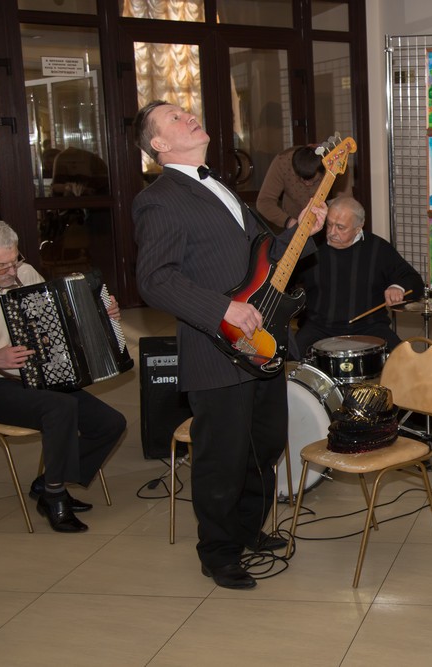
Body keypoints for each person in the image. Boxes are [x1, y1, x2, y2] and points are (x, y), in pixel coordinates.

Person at [132, 100, 326, 590]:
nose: (188, 115)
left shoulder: (219, 185)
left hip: (262, 343)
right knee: (222, 455)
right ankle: (218, 552)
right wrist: (222, 309)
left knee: (264, 444)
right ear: (159, 144)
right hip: (214, 347)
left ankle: (247, 530)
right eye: (173, 117)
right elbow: (155, 280)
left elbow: (265, 261)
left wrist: (302, 230)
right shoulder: (159, 199)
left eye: (185, 110)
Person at [0, 219, 126, 533]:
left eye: (14, 260)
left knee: (110, 423)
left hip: (41, 376)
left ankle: (46, 482)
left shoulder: (25, 274)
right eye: (1, 266)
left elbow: (61, 320)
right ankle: (54, 495)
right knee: (60, 407)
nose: (11, 271)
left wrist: (102, 314)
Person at [292, 195, 425, 356]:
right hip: (319, 326)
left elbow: (414, 280)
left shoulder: (378, 248)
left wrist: (398, 287)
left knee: (401, 359)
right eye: (329, 224)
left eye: (340, 227)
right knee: (290, 359)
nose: (332, 232)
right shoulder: (311, 246)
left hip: (369, 327)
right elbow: (285, 278)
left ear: (358, 227)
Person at [256, 145, 329, 229]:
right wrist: (290, 223)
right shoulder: (282, 162)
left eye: (313, 180)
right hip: (293, 220)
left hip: (327, 222)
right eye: (302, 179)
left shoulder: (333, 162)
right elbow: (264, 202)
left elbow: (340, 200)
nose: (307, 184)